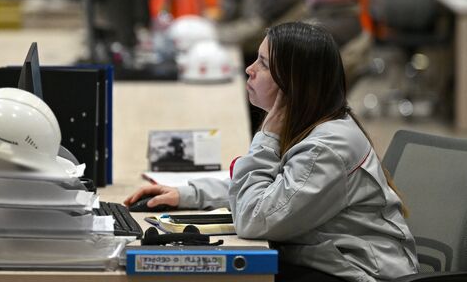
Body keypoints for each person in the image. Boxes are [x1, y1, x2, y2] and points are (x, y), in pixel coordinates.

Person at [125, 22, 419, 282]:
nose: (249, 70)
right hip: (329, 263)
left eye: (263, 64)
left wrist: (266, 137)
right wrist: (188, 194)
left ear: (292, 85)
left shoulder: (326, 148)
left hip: (360, 273)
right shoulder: (310, 124)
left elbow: (254, 217)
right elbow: (272, 189)